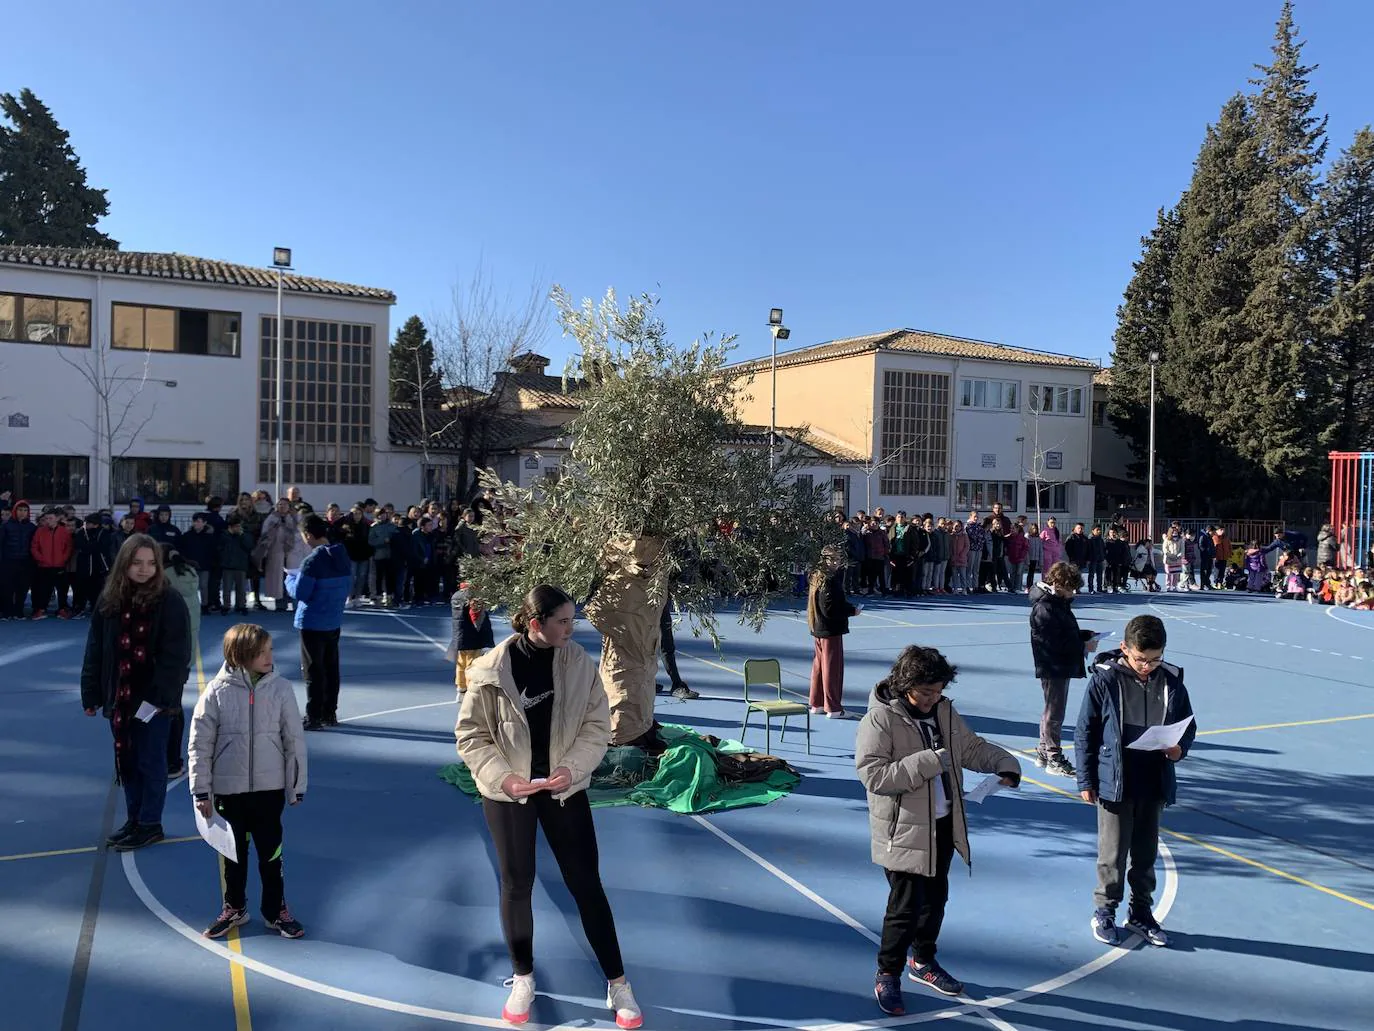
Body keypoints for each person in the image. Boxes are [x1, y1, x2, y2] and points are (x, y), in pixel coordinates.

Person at [455, 585, 643, 1030]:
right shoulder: (489, 670)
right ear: (535, 623)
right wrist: (506, 779)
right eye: (562, 620)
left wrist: (571, 771)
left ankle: (618, 983)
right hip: (509, 793)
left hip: (564, 789)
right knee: (517, 883)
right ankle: (523, 978)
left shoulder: (579, 663)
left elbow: (598, 727)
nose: (571, 628)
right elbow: (471, 736)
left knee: (586, 883)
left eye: (572, 620)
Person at [856, 645, 1022, 1015]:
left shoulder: (944, 710)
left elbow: (970, 748)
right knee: (903, 909)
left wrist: (1006, 764)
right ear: (906, 684)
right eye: (926, 692)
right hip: (903, 831)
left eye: (939, 691)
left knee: (935, 901)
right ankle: (888, 974)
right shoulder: (881, 719)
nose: (933, 699)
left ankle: (923, 961)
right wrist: (929, 761)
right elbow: (873, 775)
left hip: (943, 823)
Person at [1075, 614, 1195, 949]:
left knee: (1145, 853)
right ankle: (1105, 910)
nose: (1148, 666)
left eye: (1155, 659)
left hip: (1153, 776)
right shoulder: (1105, 681)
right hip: (1116, 778)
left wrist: (1179, 748)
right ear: (1125, 649)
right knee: (1113, 852)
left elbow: (1189, 725)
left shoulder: (1171, 681)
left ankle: (1141, 911)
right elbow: (1086, 731)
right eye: (1141, 659)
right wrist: (1085, 777)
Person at [190, 623, 308, 940]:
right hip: (229, 793)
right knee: (234, 856)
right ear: (241, 655)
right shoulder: (216, 692)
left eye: (270, 650)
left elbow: (293, 741)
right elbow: (199, 745)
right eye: (261, 653)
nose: (270, 657)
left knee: (271, 855)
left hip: (268, 792)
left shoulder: (281, 689)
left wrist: (295, 785)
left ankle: (275, 911)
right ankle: (235, 907)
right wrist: (201, 790)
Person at [80, 534, 192, 851]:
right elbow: (96, 649)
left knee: (150, 761)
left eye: (151, 563)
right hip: (120, 695)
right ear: (124, 564)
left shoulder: (169, 602)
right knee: (126, 759)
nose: (144, 569)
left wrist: (157, 700)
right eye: (137, 562)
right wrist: (91, 691)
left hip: (154, 700)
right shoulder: (110, 600)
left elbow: (176, 657)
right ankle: (135, 818)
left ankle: (150, 823)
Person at [1029, 561, 1097, 777]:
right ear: (1058, 583)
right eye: (1070, 588)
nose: (1073, 593)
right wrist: (1082, 645)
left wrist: (1083, 635)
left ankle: (1043, 751)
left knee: (1052, 708)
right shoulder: (1045, 607)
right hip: (1052, 664)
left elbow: (1064, 631)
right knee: (1055, 711)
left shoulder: (1056, 603)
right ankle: (1053, 756)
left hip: (1058, 663)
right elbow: (1053, 642)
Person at [288, 515, 352, 731]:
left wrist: (289, 579)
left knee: (313, 670)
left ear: (308, 535)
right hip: (333, 619)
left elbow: (301, 593)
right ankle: (329, 712)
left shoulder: (312, 562)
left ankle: (313, 716)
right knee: (331, 667)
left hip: (313, 621)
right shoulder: (341, 555)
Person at [161, 545, 202, 780]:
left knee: (161, 709)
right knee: (174, 708)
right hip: (185, 655)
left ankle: (165, 760)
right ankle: (174, 761)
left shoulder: (164, 583)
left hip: (167, 657)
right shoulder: (190, 575)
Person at [808, 546, 859, 719]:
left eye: (838, 559)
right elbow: (830, 608)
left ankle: (817, 703)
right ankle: (834, 708)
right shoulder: (828, 580)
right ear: (825, 560)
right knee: (832, 669)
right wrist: (852, 611)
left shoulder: (818, 577)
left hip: (819, 628)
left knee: (820, 666)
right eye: (832, 559)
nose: (836, 563)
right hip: (830, 630)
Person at [446, 581, 495, 693]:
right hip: (472, 637)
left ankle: (461, 685)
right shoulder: (472, 597)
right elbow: (476, 618)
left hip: (460, 635)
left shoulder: (456, 596)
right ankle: (470, 687)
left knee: (461, 662)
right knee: (472, 663)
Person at [31, 506, 75, 619]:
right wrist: (40, 558)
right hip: (44, 565)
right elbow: (34, 546)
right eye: (46, 518)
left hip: (59, 565)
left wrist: (63, 559)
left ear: (56, 519)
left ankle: (61, 609)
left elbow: (69, 547)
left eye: (50, 518)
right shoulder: (40, 531)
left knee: (62, 589)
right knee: (44, 589)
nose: (48, 521)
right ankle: (41, 609)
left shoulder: (64, 531)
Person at [655, 597, 698, 699]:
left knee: (666, 642)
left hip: (659, 600)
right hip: (641, 603)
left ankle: (676, 684)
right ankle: (645, 681)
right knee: (646, 643)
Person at [0, 498, 36, 618]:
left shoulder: (31, 527)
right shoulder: (6, 526)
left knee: (23, 588)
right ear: (15, 511)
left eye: (25, 510)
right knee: (7, 588)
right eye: (20, 509)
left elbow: (34, 545)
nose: (22, 512)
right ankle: (7, 612)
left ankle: (19, 611)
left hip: (25, 562)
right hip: (8, 561)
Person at [71, 513, 112, 617]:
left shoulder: (104, 533)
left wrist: (90, 547)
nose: (86, 525)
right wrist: (91, 547)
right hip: (84, 566)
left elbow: (102, 547)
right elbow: (80, 545)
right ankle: (78, 608)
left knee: (97, 589)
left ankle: (96, 608)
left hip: (98, 566)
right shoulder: (81, 533)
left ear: (96, 524)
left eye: (89, 523)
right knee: (80, 589)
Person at [219, 514, 254, 614]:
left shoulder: (245, 535)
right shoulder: (224, 535)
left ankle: (241, 605)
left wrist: (242, 535)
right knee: (227, 588)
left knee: (241, 588)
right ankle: (226, 605)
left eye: (239, 526)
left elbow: (249, 546)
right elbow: (220, 548)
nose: (237, 528)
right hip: (228, 565)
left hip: (241, 565)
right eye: (235, 526)